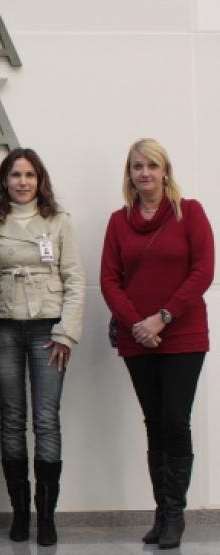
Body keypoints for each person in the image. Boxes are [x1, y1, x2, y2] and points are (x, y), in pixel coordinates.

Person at [100, 138, 213, 550]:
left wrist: (162, 316)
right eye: (136, 166)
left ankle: (175, 515)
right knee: (154, 423)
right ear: (128, 174)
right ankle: (162, 511)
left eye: (151, 165)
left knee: (175, 420)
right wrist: (136, 324)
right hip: (138, 340)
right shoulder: (118, 221)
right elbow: (109, 280)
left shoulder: (191, 213)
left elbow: (203, 271)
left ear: (166, 171)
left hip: (182, 335)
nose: (144, 173)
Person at [0, 148, 85, 545]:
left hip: (49, 330)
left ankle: (47, 515)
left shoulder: (59, 222)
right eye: (15, 175)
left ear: (40, 180)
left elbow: (75, 280)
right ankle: (20, 513)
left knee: (46, 418)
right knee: (11, 417)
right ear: (4, 181)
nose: (22, 182)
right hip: (3, 327)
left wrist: (66, 333)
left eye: (29, 175)